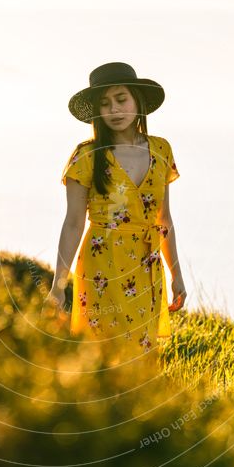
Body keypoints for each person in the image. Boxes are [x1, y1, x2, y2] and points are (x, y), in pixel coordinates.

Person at [45, 62, 186, 354]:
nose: (114, 110)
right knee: (102, 354)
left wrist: (177, 276)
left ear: (137, 100)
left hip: (147, 268)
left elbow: (164, 219)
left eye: (121, 99)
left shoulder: (161, 151)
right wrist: (59, 284)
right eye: (105, 103)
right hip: (102, 266)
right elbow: (73, 223)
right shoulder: (86, 156)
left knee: (141, 357)